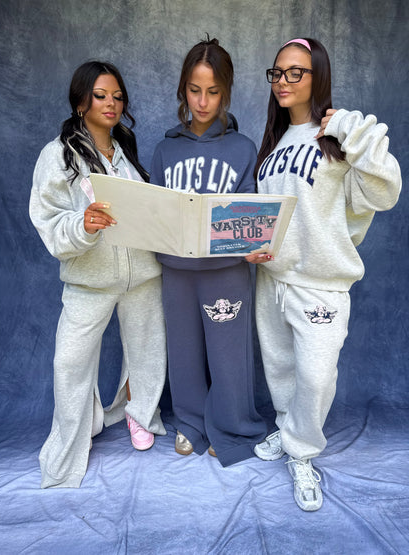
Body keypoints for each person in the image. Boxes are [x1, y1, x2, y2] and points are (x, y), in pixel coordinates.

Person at [246, 38, 401, 511]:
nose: (283, 81)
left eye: (296, 72)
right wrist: (258, 244)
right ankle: (287, 429)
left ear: (318, 76)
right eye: (277, 73)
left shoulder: (335, 137)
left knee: (315, 377)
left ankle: (302, 453)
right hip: (272, 280)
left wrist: (352, 128)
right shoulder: (273, 145)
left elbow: (385, 190)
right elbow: (274, 216)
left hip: (321, 283)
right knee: (281, 371)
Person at [30, 61, 167, 488]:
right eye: (101, 95)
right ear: (80, 102)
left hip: (143, 276)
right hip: (89, 279)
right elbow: (49, 221)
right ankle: (73, 438)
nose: (112, 104)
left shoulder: (126, 150)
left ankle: (140, 414)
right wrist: (83, 225)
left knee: (147, 352)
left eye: (118, 96)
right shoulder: (58, 156)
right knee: (69, 362)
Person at [150, 37, 267, 466]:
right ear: (183, 89)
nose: (202, 102)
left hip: (226, 269)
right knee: (183, 351)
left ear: (226, 92)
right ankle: (190, 422)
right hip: (177, 269)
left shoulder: (242, 148)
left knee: (228, 355)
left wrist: (253, 244)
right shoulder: (166, 149)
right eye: (194, 90)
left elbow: (252, 211)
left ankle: (231, 425)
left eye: (213, 92)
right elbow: (155, 211)